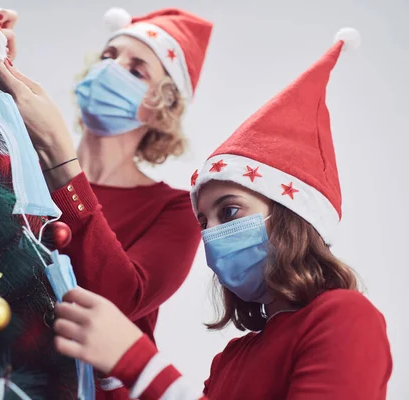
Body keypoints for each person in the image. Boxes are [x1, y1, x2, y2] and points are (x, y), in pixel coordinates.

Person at [50, 29, 393, 399]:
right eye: (203, 221)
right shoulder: (233, 357)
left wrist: (137, 362)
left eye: (229, 210)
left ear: (291, 216)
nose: (212, 235)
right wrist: (113, 377)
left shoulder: (343, 317)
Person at [0, 7, 213, 397]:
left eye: (136, 69)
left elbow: (118, 301)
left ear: (163, 109)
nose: (110, 69)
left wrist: (61, 161)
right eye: (108, 57)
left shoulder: (175, 209)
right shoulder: (17, 172)